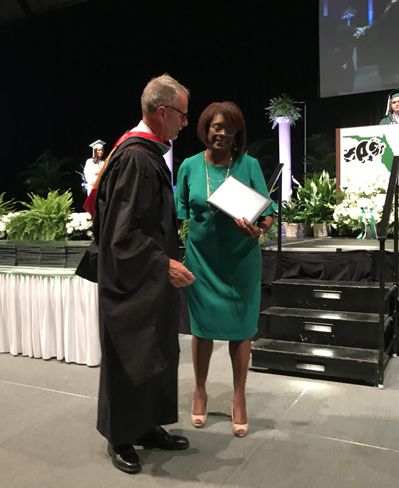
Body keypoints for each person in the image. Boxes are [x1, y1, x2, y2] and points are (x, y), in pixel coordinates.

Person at [76, 74, 195, 475]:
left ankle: (147, 426)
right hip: (130, 281)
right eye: (181, 114)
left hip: (147, 281)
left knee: (155, 353)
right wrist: (163, 262)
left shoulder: (146, 154)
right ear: (162, 113)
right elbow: (120, 234)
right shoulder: (135, 158)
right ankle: (120, 436)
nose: (184, 122)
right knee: (130, 357)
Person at [174, 101, 274, 438]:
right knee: (202, 329)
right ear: (205, 129)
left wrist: (259, 229)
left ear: (237, 134)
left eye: (229, 128)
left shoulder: (249, 165)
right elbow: (180, 214)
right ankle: (199, 391)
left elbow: (268, 214)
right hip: (202, 260)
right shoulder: (188, 166)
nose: (221, 133)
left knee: (241, 330)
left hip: (241, 261)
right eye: (216, 127)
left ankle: (239, 397)